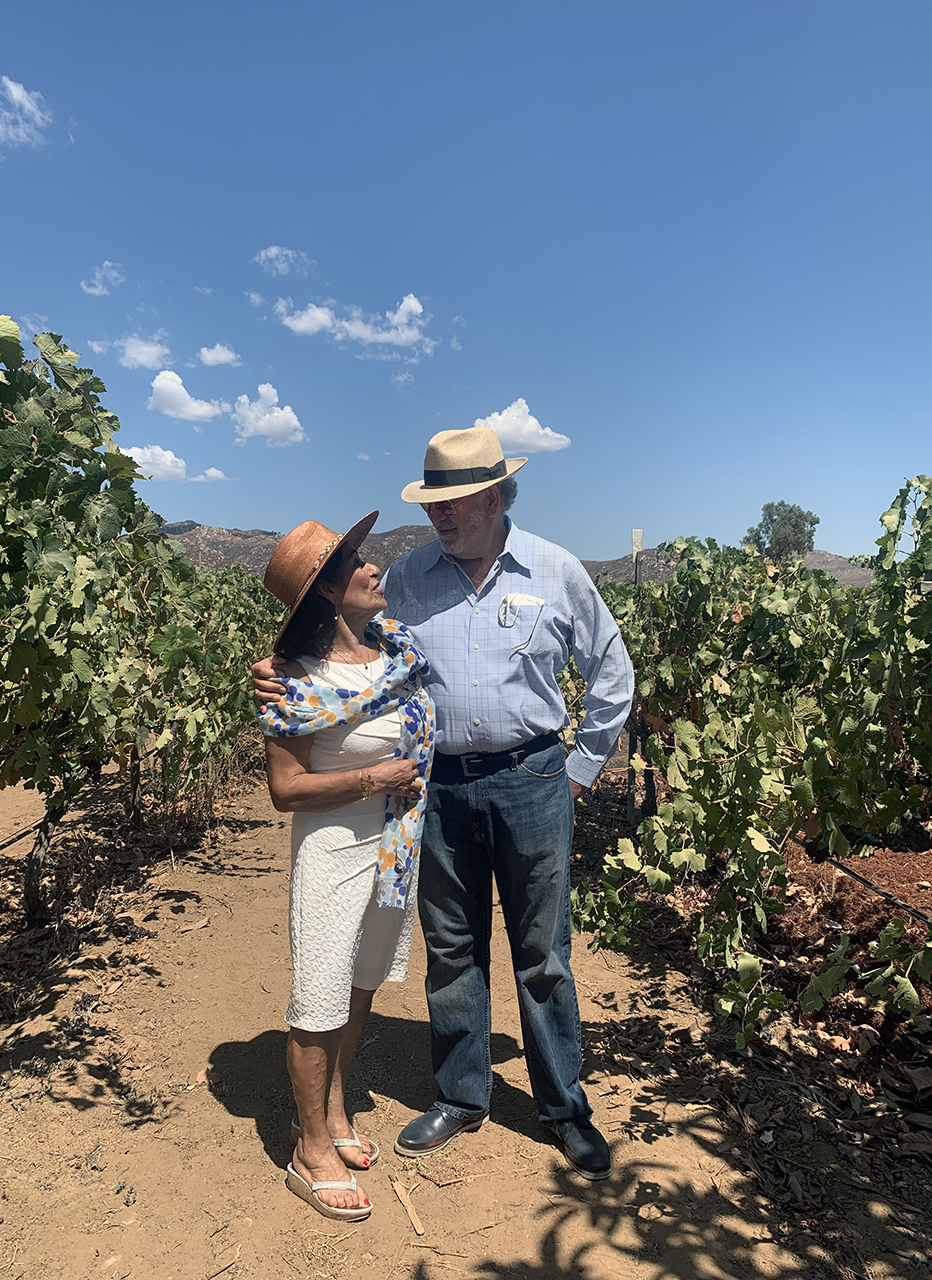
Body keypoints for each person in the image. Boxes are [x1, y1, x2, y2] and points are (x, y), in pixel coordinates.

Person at [256, 427, 633, 1182]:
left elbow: (612, 672)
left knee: (543, 953)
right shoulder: (407, 576)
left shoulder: (556, 570)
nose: (437, 516)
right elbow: (344, 640)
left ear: (493, 498)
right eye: (431, 504)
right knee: (452, 947)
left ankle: (564, 1108)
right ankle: (462, 1094)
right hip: (437, 788)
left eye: (451, 503)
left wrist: (578, 771)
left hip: (533, 779)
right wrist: (280, 667)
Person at [258, 510, 434, 1223]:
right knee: (318, 999)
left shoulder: (397, 651)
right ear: (327, 592)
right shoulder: (294, 682)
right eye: (355, 562)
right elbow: (285, 791)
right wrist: (373, 778)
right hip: (333, 851)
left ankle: (333, 1110)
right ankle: (309, 1151)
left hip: (392, 849)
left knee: (360, 986)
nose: (372, 566)